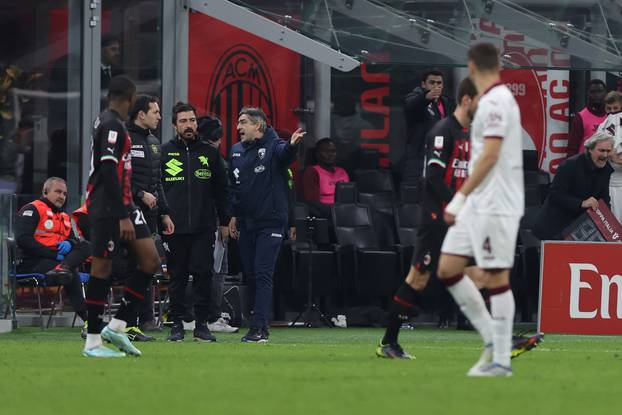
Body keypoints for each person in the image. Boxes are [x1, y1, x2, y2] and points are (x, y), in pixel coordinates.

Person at [376, 77, 479, 359]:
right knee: (418, 279)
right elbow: (433, 176)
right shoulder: (442, 131)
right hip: (436, 218)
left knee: (479, 273)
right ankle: (389, 342)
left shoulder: (468, 134)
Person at [437, 43, 523, 377]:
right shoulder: (490, 100)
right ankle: (491, 339)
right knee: (448, 268)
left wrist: (458, 199)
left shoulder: (498, 102)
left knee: (497, 276)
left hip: (496, 203)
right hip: (479, 202)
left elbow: (489, 156)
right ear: (498, 64)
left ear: (471, 65)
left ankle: (501, 360)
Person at [82, 75, 161, 358]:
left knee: (150, 260)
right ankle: (92, 342)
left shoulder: (109, 121)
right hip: (107, 207)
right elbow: (107, 171)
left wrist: (128, 210)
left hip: (125, 205)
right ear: (129, 97)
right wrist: (121, 215)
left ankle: (117, 326)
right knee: (101, 268)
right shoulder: (111, 124)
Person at [228, 107, 305, 343]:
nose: (238, 127)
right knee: (250, 274)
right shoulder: (236, 151)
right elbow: (235, 187)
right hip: (245, 222)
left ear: (258, 127)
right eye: (238, 122)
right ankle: (258, 324)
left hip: (270, 221)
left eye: (243, 123)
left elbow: (285, 155)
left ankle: (258, 327)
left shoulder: (274, 145)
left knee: (262, 273)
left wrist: (293, 145)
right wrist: (233, 215)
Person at [161, 102, 229, 342]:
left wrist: (225, 221)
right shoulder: (164, 152)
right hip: (173, 226)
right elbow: (157, 189)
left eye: (192, 120)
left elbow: (222, 190)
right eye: (183, 121)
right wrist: (162, 215)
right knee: (177, 276)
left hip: (204, 225)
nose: (189, 125)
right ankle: (177, 324)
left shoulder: (210, 153)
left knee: (203, 274)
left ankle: (202, 325)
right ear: (174, 125)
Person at [127, 94, 174, 337]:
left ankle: (144, 319)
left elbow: (158, 183)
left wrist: (164, 212)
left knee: (148, 266)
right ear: (141, 114)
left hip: (150, 216)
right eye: (155, 112)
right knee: (135, 266)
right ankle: (130, 321)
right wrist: (139, 193)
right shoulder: (124, 140)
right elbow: (116, 179)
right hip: (127, 215)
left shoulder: (155, 142)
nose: (159, 116)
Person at [15, 177, 88, 326]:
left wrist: (69, 242)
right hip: (32, 262)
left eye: (65, 194)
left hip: (57, 263)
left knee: (87, 246)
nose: (62, 196)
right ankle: (88, 318)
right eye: (58, 192)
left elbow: (75, 241)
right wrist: (53, 254)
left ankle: (64, 267)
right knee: (70, 271)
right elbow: (23, 239)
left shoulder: (64, 216)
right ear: (45, 192)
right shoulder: (32, 209)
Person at [197, 114, 239, 334]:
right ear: (219, 138)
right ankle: (212, 316)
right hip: (213, 221)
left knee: (196, 270)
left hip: (192, 220)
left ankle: (189, 316)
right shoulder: (217, 159)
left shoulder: (192, 155)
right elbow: (223, 194)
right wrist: (225, 220)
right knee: (217, 270)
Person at [534, 132, 614, 240]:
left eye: (608, 151)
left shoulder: (606, 169)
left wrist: (610, 226)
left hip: (579, 228)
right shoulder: (570, 165)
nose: (605, 155)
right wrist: (581, 203)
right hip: (555, 226)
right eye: (601, 150)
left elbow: (604, 200)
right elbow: (554, 195)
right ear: (590, 149)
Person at [402, 70, 455, 187]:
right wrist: (426, 97)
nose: (436, 86)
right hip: (418, 160)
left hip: (440, 158)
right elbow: (410, 104)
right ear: (423, 84)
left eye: (439, 83)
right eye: (432, 83)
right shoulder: (416, 97)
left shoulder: (447, 102)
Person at [302, 137, 350, 219]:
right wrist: (335, 211)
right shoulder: (312, 171)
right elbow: (313, 203)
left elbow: (349, 197)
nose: (330, 154)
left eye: (333, 151)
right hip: (325, 215)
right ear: (317, 154)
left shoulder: (342, 171)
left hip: (345, 212)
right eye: (326, 151)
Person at [566, 79, 607, 157]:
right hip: (585, 165)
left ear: (605, 93)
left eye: (600, 91)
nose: (597, 95)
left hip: (608, 164)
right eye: (593, 92)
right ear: (587, 94)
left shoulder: (611, 116)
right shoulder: (581, 117)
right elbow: (572, 148)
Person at [598, 92, 622, 223]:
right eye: (609, 109)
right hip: (609, 182)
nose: (612, 112)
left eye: (616, 108)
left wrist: (617, 159)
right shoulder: (603, 126)